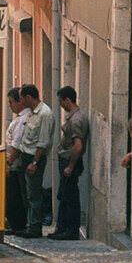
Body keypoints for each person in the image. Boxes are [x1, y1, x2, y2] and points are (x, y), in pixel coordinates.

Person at [50, 86, 89, 241]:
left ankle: (71, 230)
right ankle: (63, 229)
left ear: (67, 100)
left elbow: (78, 146)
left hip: (70, 162)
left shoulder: (76, 119)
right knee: (64, 195)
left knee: (70, 197)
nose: (60, 104)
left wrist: (70, 166)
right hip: (67, 161)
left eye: (60, 101)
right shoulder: (74, 117)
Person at [15, 84, 54, 238]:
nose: (21, 101)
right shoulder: (31, 113)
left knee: (34, 193)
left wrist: (35, 163)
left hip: (34, 158)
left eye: (22, 98)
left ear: (29, 97)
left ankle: (35, 227)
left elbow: (43, 142)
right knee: (27, 193)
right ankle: (29, 224)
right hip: (25, 157)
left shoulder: (45, 114)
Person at [4, 87, 29, 235]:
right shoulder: (19, 118)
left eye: (11, 102)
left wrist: (9, 163)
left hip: (16, 164)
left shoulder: (22, 120)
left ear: (20, 102)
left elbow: (17, 144)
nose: (9, 105)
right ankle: (15, 224)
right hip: (14, 163)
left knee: (15, 195)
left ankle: (17, 224)